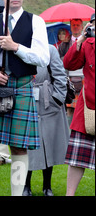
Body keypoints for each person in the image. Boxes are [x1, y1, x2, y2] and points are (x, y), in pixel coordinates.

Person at [0, 0, 50, 196]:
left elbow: (43, 58)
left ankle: (16, 194)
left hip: (22, 86)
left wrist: (16, 47)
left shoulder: (36, 21)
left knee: (19, 146)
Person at [23, 45, 69, 196]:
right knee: (26, 146)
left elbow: (60, 76)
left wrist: (58, 98)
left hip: (48, 101)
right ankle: (25, 186)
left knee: (49, 144)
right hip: (25, 99)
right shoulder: (19, 48)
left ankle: (47, 186)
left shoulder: (50, 49)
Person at [63, 14, 95, 196]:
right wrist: (81, 40)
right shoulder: (87, 44)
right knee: (77, 157)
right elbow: (68, 63)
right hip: (88, 105)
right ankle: (69, 194)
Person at [59, 18, 85, 125]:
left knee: (83, 109)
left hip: (84, 80)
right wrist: (67, 58)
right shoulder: (64, 44)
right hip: (69, 80)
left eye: (78, 25)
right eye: (73, 25)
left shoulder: (88, 41)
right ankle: (69, 136)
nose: (75, 27)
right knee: (69, 110)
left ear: (82, 27)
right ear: (70, 27)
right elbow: (58, 61)